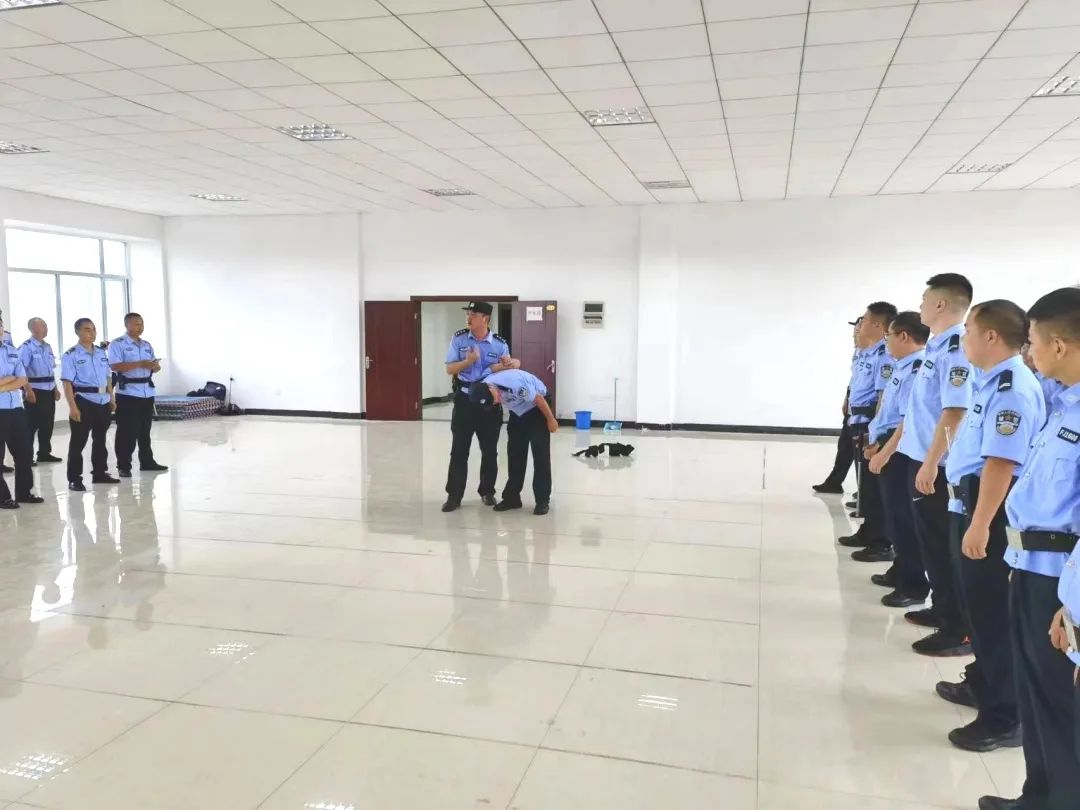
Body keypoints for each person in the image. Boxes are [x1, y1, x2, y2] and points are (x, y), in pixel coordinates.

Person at [980, 287, 1080, 810]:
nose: (1028, 352)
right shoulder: (1063, 404)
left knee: (1061, 703)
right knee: (1036, 692)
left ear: (1059, 345)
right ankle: (1037, 796)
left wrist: (1075, 607)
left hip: (1062, 584)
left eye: (1034, 341)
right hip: (1031, 568)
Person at [937, 300, 1044, 753]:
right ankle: (983, 683)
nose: (964, 341)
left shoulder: (1012, 388)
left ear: (991, 337)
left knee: (992, 615)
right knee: (976, 607)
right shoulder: (991, 381)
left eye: (969, 332)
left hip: (990, 511)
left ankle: (1004, 717)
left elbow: (1001, 463)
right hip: (972, 504)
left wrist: (980, 525)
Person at [896, 273, 975, 657]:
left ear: (941, 304)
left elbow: (955, 410)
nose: (921, 305)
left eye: (925, 299)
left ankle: (957, 628)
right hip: (921, 457)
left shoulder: (956, 349)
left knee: (943, 547)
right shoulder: (937, 346)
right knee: (930, 542)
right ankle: (942, 609)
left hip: (937, 465)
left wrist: (931, 463)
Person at [865, 312, 930, 604]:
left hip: (901, 450)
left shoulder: (917, 367)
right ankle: (900, 570)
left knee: (904, 520)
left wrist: (885, 451)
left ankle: (913, 585)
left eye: (888, 335)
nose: (886, 341)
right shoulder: (903, 365)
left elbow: (907, 421)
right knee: (894, 517)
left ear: (903, 336)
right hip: (890, 443)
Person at [441, 302, 519, 513]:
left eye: (473, 314)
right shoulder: (459, 339)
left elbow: (506, 372)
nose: (468, 317)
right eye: (468, 313)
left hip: (488, 404)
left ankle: (487, 491)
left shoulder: (499, 344)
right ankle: (454, 496)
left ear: (485, 318)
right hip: (464, 400)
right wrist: (468, 361)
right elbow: (450, 369)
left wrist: (509, 364)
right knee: (459, 450)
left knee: (490, 451)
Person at [839, 302, 897, 554]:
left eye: (864, 321)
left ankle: (880, 540)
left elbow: (882, 397)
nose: (859, 325)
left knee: (875, 486)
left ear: (876, 325)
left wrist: (874, 432)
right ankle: (868, 529)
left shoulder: (884, 355)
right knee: (866, 484)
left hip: (870, 425)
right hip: (858, 422)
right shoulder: (866, 352)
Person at [479, 370, 558, 515]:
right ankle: (512, 498)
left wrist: (551, 419)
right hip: (517, 412)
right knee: (515, 454)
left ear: (492, 389)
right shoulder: (484, 387)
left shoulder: (514, 385)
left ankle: (542, 501)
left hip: (537, 407)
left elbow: (538, 398)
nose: (496, 402)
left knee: (540, 456)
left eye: (494, 399)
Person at [60, 318, 118, 492]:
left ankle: (99, 473)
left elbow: (108, 377)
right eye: (87, 329)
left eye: (93, 329)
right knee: (78, 443)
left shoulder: (100, 352)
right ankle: (74, 479)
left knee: (100, 440)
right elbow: (67, 383)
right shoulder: (71, 355)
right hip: (84, 400)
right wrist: (73, 407)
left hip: (102, 400)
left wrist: (111, 397)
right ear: (77, 332)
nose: (92, 332)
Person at [108, 313, 167, 477]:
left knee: (144, 431)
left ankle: (147, 462)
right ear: (127, 325)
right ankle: (124, 466)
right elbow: (115, 366)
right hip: (128, 393)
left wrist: (155, 366)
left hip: (147, 392)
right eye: (136, 324)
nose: (140, 327)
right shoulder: (117, 344)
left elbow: (155, 366)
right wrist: (140, 363)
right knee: (127, 432)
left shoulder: (146, 345)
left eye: (141, 324)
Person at [814, 317, 862, 494]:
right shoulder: (859, 351)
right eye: (855, 329)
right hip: (853, 407)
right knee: (845, 447)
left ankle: (864, 491)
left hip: (864, 412)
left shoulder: (881, 354)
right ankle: (834, 482)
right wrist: (847, 399)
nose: (855, 332)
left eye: (859, 328)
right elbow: (855, 379)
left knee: (860, 453)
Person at [0, 312, 43, 509]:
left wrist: (5, 383)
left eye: (0, 325)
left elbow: (23, 379)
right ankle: (2, 497)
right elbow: (15, 378)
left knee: (24, 453)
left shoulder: (11, 351)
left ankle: (24, 493)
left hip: (16, 408)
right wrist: (11, 379)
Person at [18, 318, 61, 463]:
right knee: (31, 425)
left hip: (49, 390)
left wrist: (55, 388)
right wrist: (28, 391)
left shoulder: (47, 347)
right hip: (34, 391)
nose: (46, 328)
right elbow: (21, 371)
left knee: (47, 424)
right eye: (43, 326)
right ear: (34, 328)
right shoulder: (26, 347)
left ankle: (44, 453)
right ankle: (26, 457)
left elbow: (50, 371)